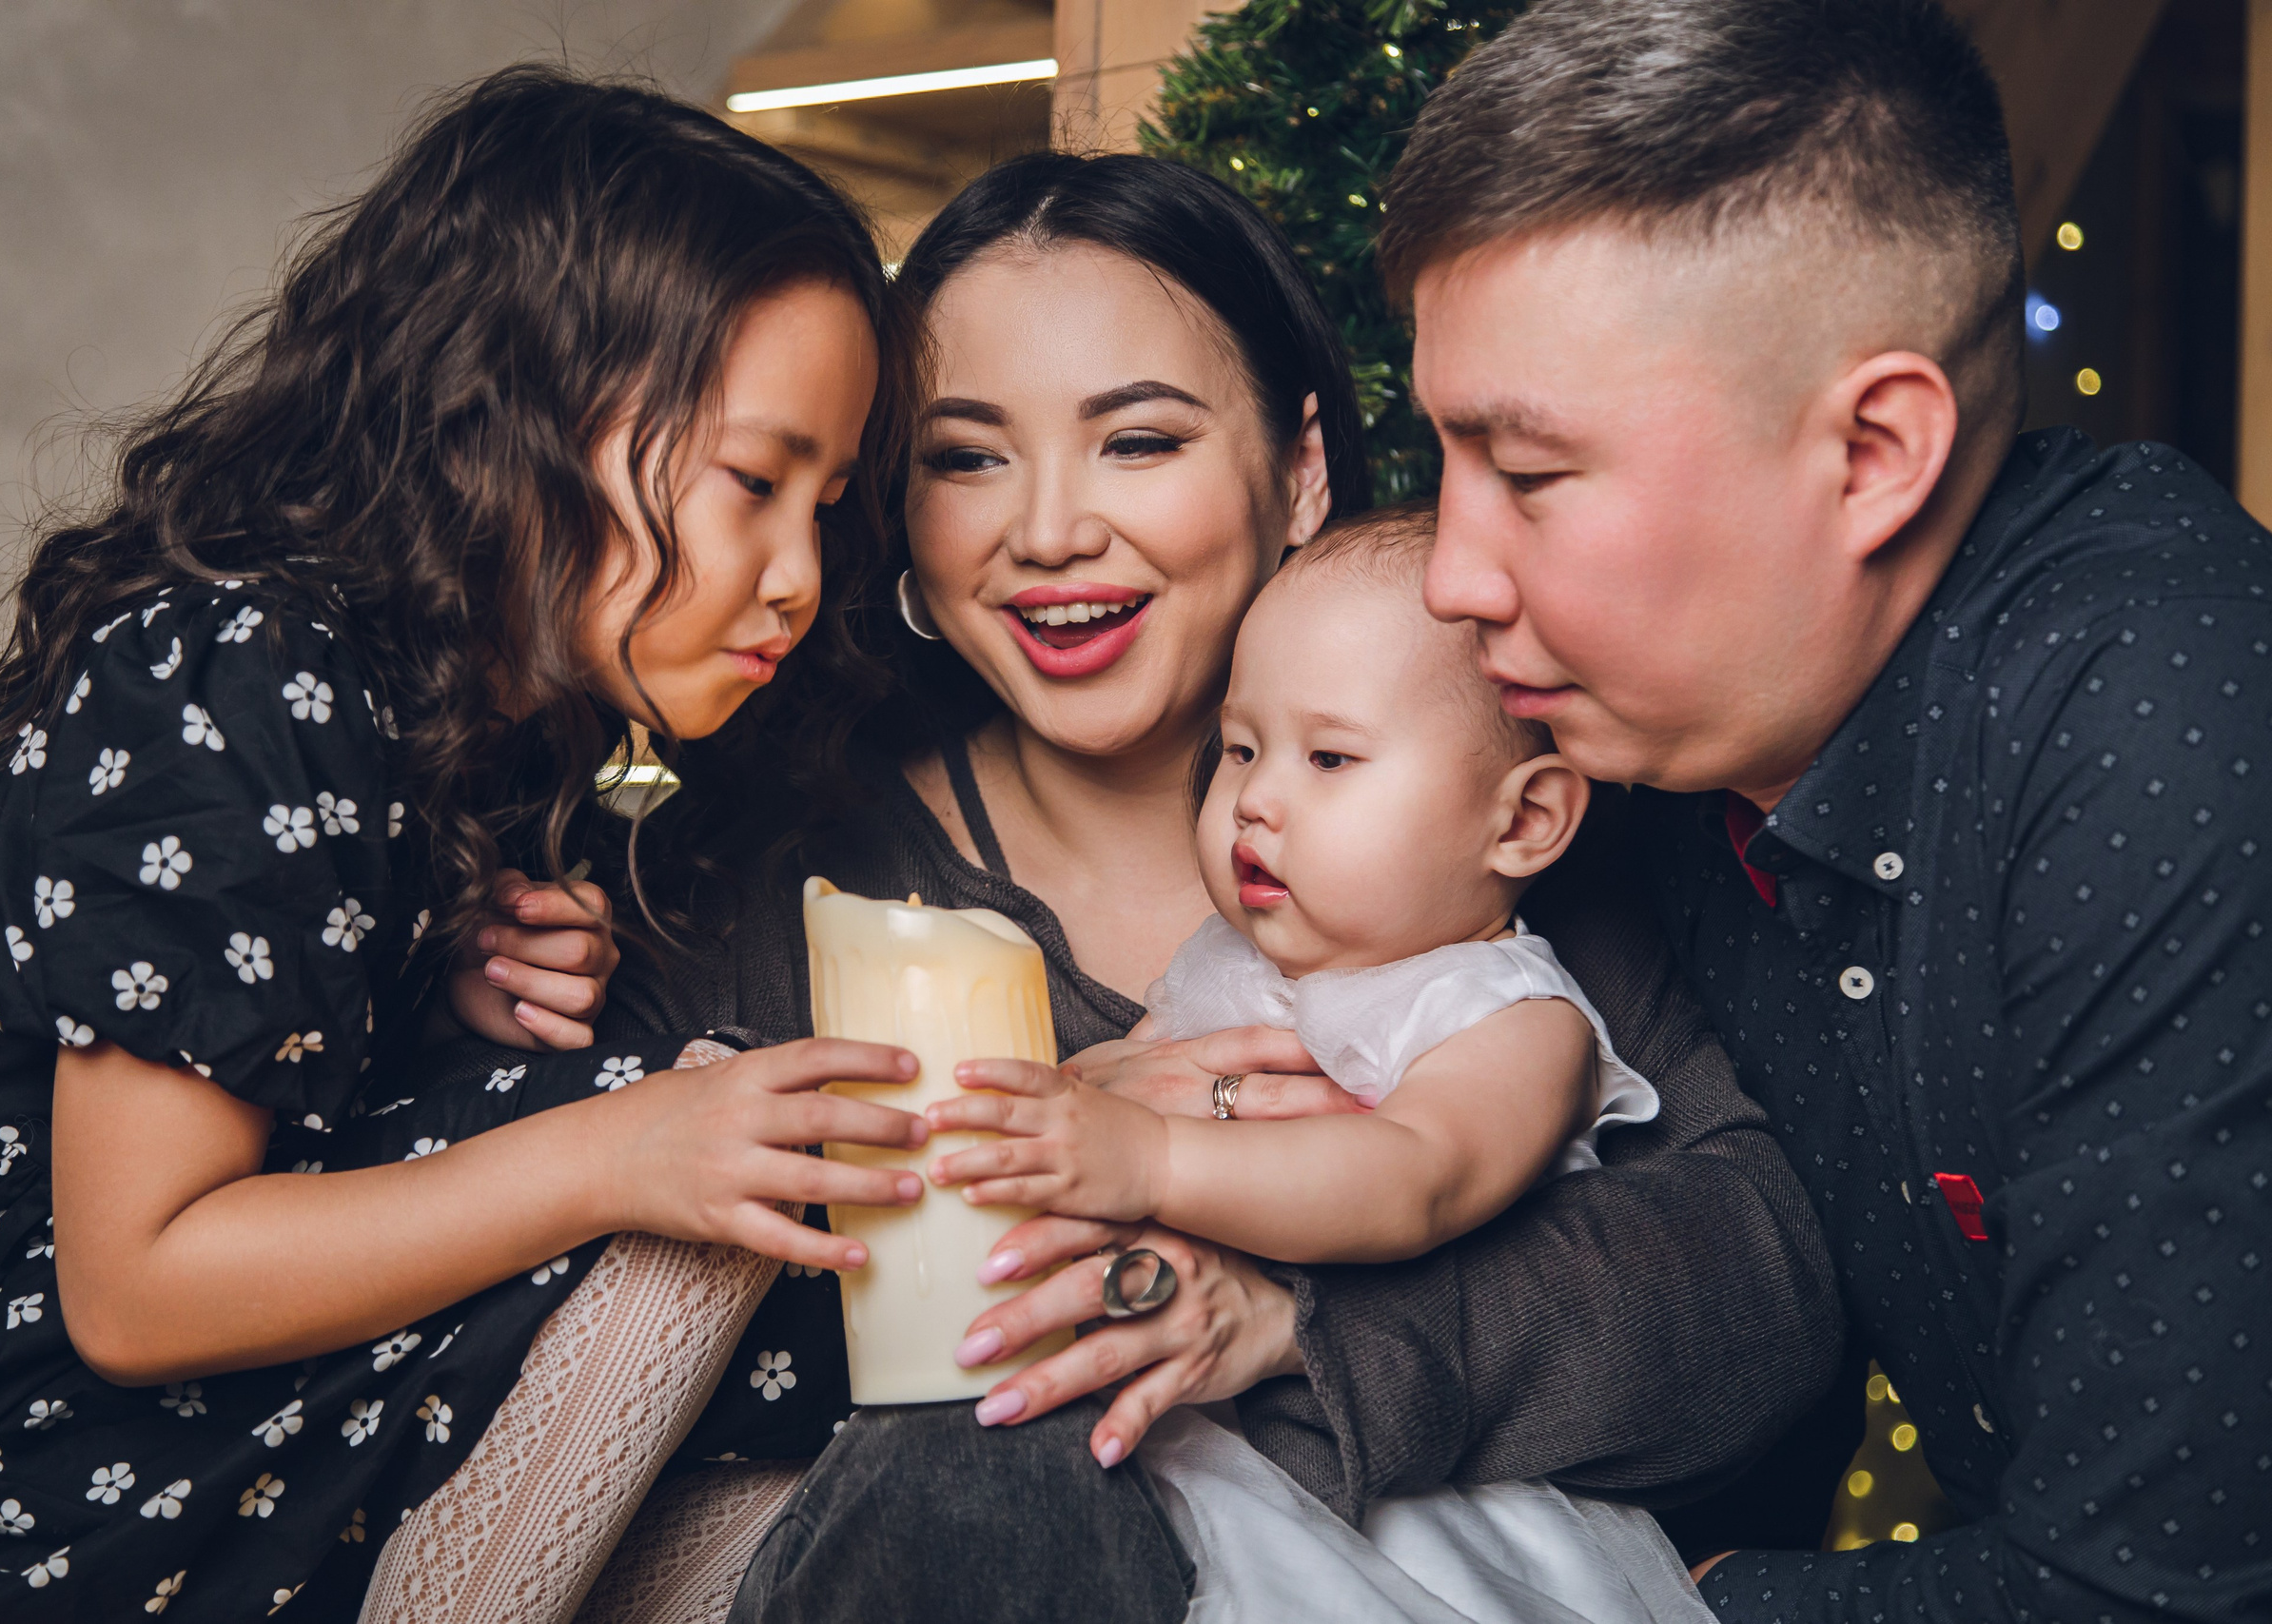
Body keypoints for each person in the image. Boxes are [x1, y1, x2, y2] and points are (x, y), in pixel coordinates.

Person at [604, 150, 1840, 1624]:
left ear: (1299, 469)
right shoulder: (751, 872)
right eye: (966, 457)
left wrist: (1299, 1325)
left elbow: (1765, 1291)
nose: (1048, 530)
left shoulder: (1511, 828)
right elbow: (577, 1349)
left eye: (1137, 440)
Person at [0, 69, 939, 1622]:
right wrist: (617, 1148)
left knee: (792, 1264)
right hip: (13, 1451)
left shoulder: (483, 695)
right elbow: (137, 1287)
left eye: (827, 505)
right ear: (513, 417)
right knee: (708, 1155)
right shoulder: (237, 664)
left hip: (118, 1407)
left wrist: (425, 973)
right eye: (755, 483)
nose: (800, 575)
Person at [1378, 1, 2271, 1618]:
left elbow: (2159, 1589)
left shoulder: (2172, 709)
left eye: (1531, 474)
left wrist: (1688, 1599)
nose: (1452, 574)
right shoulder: (1658, 739)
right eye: (1446, 456)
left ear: (1871, 452)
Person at [929, 506, 1711, 1624]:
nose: (1254, 798)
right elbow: (1138, 1089)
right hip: (1180, 1437)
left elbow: (1415, 1174)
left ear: (1524, 821)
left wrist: (1152, 1158)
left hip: (1400, 1494)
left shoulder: (1503, 1013)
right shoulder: (1231, 957)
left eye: (1329, 757)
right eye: (1241, 748)